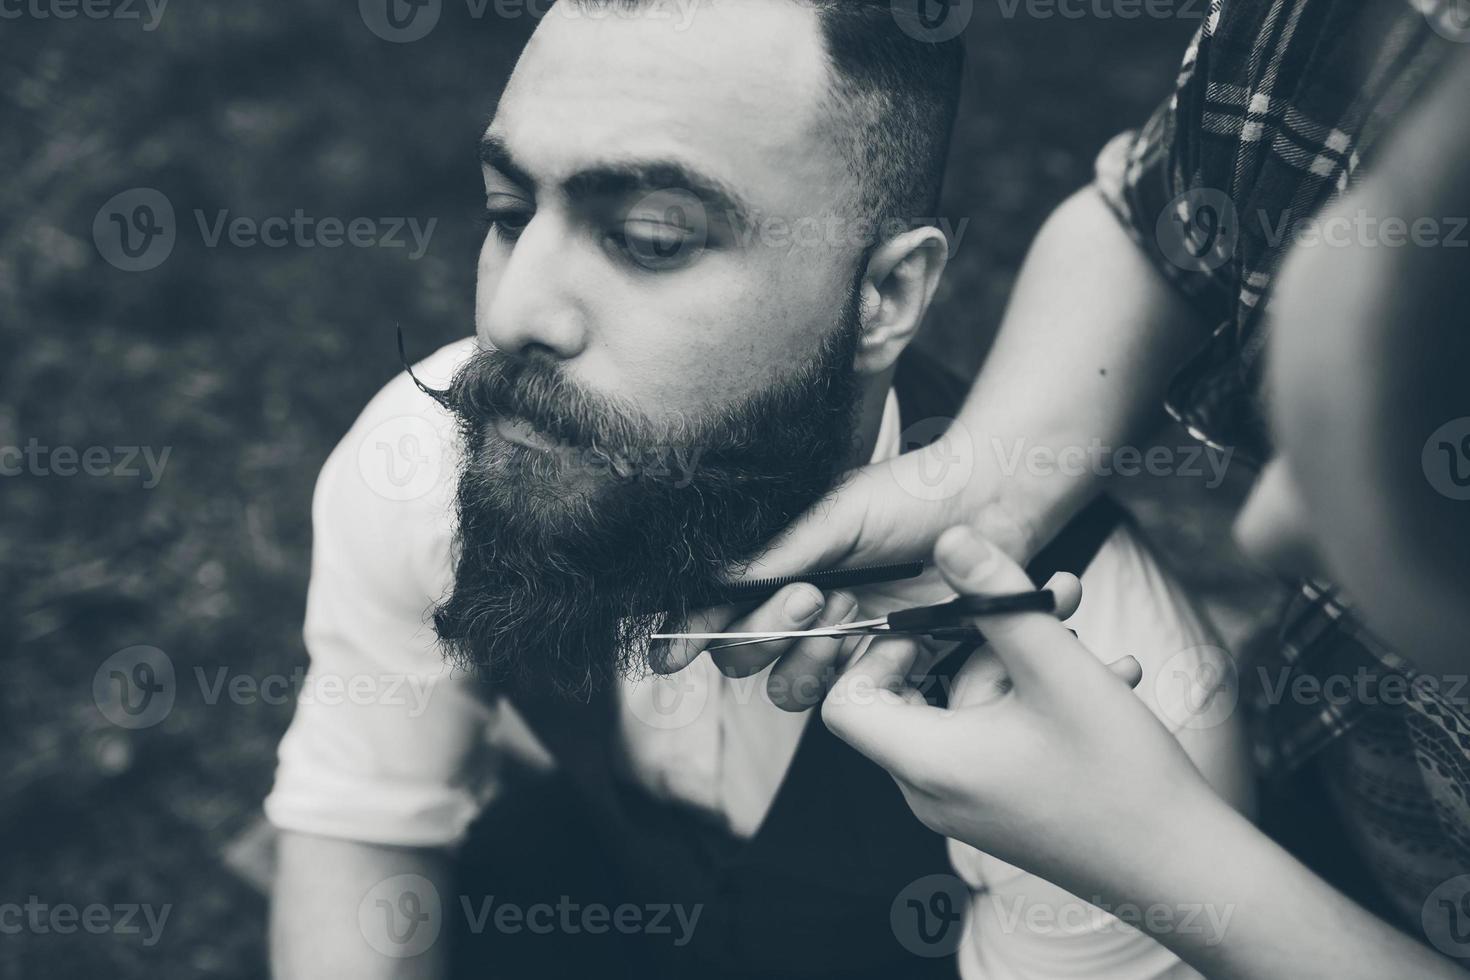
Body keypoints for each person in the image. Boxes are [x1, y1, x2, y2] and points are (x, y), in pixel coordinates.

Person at [265, 2, 1250, 978]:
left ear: (886, 297)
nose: (516, 311)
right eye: (508, 213)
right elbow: (357, 823)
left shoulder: (1110, 723)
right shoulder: (438, 461)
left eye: (651, 239)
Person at [822, 20, 1470, 980]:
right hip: (1328, 764)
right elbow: (1166, 218)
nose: (1259, 530)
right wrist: (986, 480)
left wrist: (1161, 856)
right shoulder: (1383, 31)